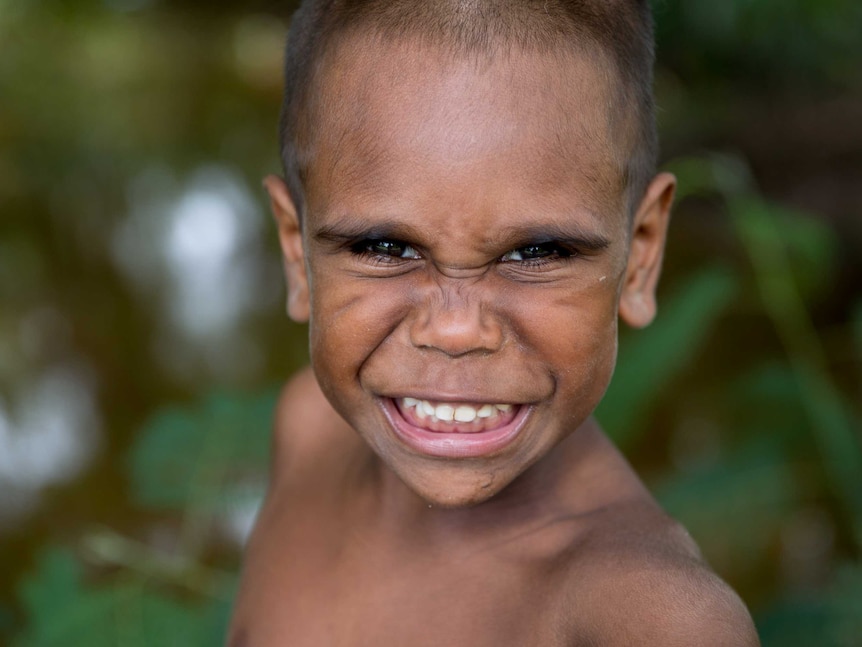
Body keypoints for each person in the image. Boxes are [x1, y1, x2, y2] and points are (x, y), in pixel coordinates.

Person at [229, 0, 760, 644]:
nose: (455, 331)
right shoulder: (308, 428)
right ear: (295, 251)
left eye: (536, 253)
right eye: (385, 248)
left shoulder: (648, 621)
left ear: (641, 255)